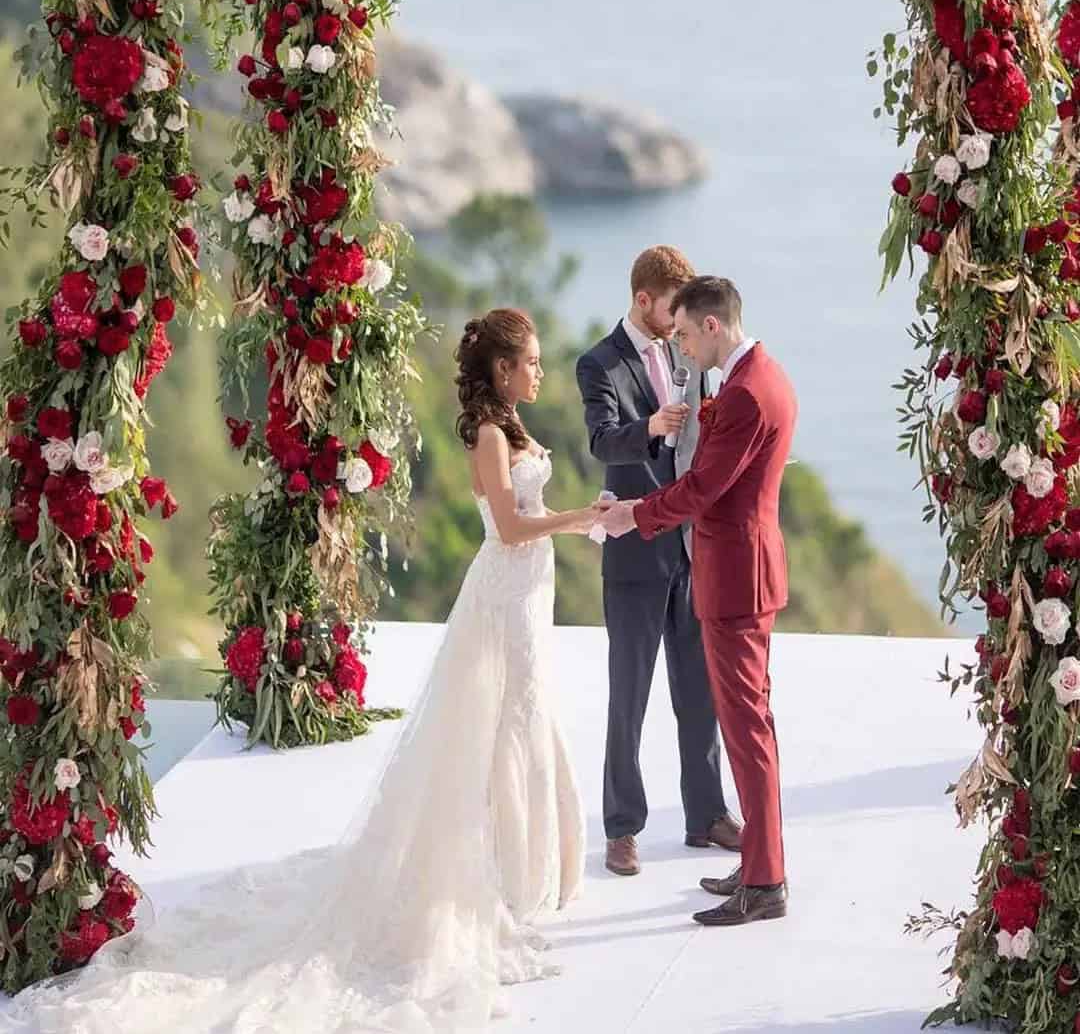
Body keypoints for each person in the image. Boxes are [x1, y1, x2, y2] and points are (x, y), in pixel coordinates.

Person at [1, 308, 594, 1033]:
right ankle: (499, 871)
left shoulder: (514, 424)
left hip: (530, 592)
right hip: (505, 592)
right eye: (530, 362)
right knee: (500, 722)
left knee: (527, 711)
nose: (539, 371)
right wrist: (577, 519)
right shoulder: (493, 436)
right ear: (503, 370)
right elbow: (505, 528)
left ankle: (531, 864)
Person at [598, 276, 796, 927]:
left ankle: (765, 883)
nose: (678, 346)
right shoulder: (768, 376)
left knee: (745, 732)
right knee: (751, 727)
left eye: (683, 333)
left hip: (736, 578)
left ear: (712, 326)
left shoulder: (741, 395)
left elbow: (704, 489)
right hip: (748, 569)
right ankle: (761, 863)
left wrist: (633, 514)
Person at [576, 247, 739, 879]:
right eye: (674, 307)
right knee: (629, 697)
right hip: (633, 551)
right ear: (645, 299)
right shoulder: (598, 362)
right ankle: (622, 829)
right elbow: (600, 441)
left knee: (699, 690)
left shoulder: (683, 352)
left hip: (690, 548)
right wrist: (648, 425)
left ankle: (707, 815)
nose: (682, 320)